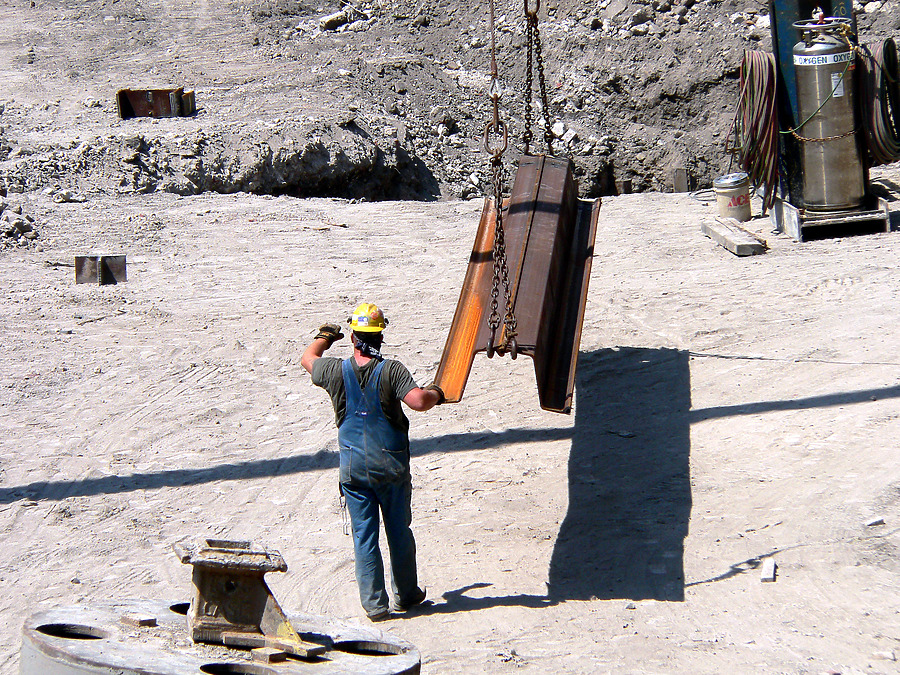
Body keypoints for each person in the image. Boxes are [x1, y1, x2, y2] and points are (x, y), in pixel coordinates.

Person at [301, 302, 444, 621]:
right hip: (390, 468)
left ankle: (375, 605)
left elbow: (308, 359)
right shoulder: (391, 370)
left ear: (353, 337)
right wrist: (437, 392)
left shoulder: (336, 370)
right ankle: (406, 594)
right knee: (398, 532)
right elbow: (419, 401)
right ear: (380, 336)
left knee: (364, 536)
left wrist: (325, 336)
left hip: (354, 469)